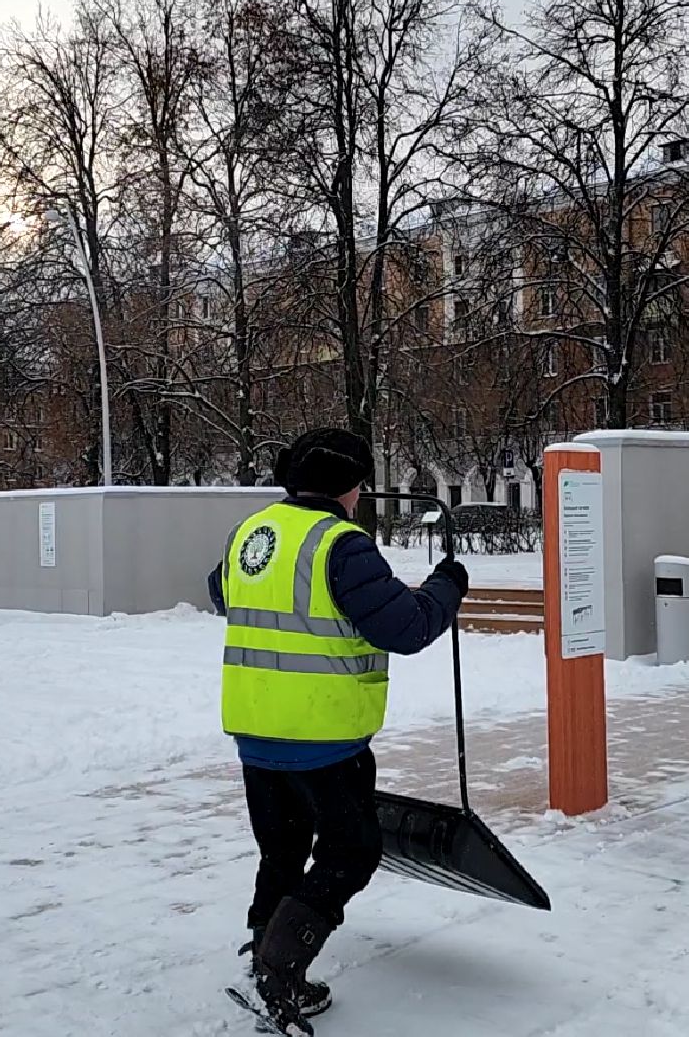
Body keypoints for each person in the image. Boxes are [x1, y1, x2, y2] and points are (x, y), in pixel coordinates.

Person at [208, 427, 469, 1036]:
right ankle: (281, 966)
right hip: (324, 735)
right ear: (351, 486)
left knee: (283, 846)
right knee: (351, 852)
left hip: (256, 729)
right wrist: (447, 586)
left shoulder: (255, 531)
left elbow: (221, 592)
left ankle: (263, 946)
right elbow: (405, 629)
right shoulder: (340, 544)